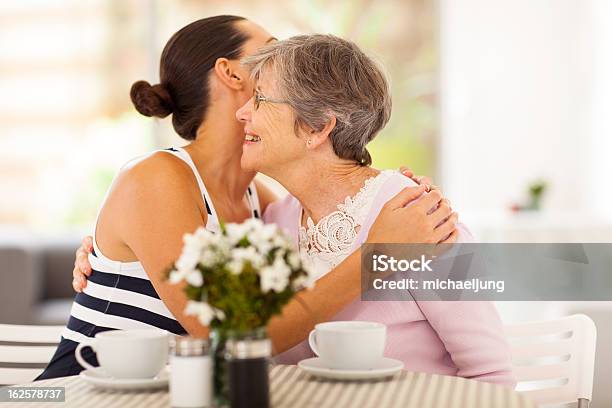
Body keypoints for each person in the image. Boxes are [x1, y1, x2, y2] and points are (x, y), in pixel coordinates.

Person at [37, 16, 457, 381]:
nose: (284, 63)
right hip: (79, 390)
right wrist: (376, 257)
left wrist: (398, 195)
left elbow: (335, 209)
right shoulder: (156, 179)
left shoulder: (263, 201)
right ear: (232, 74)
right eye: (270, 52)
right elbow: (225, 337)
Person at [231, 34, 514, 386]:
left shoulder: (419, 214)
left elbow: (491, 374)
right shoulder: (275, 223)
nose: (241, 113)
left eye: (259, 99)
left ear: (317, 127)